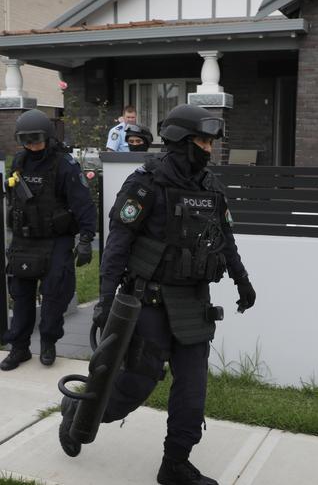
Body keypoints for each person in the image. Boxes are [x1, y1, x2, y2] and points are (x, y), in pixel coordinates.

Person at [59, 104, 256, 485]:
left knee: (192, 393)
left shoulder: (210, 187)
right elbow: (117, 245)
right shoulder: (144, 184)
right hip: (149, 302)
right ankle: (77, 412)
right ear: (181, 142)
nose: (208, 150)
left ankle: (175, 464)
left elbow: (226, 240)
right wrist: (104, 301)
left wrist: (242, 281)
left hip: (194, 304)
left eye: (211, 142)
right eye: (202, 141)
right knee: (134, 386)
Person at [0, 109, 97, 371]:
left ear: (48, 137)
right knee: (21, 296)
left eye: (37, 141)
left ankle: (48, 343)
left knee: (54, 296)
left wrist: (86, 238)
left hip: (56, 241)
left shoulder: (65, 165)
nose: (32, 147)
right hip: (25, 240)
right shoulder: (19, 161)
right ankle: (19, 348)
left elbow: (83, 204)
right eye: (27, 142)